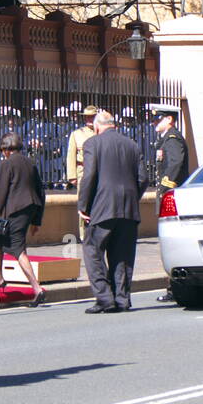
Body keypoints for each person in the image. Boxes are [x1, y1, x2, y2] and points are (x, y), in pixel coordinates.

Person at [77, 110, 145, 313]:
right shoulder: (132, 145)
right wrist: (132, 197)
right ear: (114, 125)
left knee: (92, 251)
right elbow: (143, 179)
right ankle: (122, 299)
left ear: (97, 126)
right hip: (128, 209)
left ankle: (105, 298)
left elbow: (88, 177)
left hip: (102, 207)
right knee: (122, 255)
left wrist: (83, 206)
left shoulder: (92, 143)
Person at [0, 132, 48, 306]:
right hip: (30, 208)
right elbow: (41, 192)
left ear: (6, 149)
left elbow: (1, 194)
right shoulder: (30, 162)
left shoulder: (7, 164)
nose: (2, 153)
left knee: (18, 249)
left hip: (15, 211)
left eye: (2, 150)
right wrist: (37, 220)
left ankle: (37, 288)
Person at [151, 103, 190, 304]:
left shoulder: (172, 139)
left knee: (172, 244)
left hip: (171, 198)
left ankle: (175, 287)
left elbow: (175, 164)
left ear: (169, 119)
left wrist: (166, 189)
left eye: (158, 119)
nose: (154, 123)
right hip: (168, 196)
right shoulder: (165, 139)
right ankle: (174, 287)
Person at [65, 104, 97, 240]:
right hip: (82, 171)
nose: (89, 119)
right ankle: (84, 234)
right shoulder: (77, 134)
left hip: (100, 171)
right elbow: (70, 155)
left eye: (92, 117)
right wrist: (72, 175)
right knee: (83, 202)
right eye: (87, 117)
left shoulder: (100, 132)